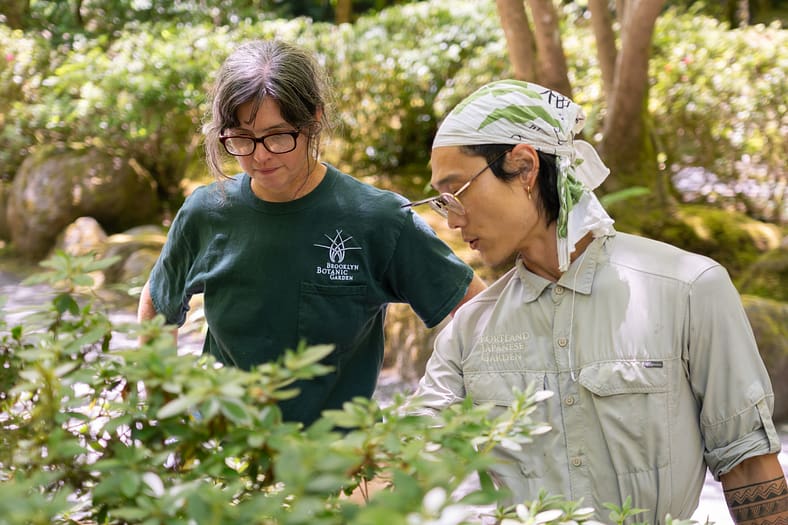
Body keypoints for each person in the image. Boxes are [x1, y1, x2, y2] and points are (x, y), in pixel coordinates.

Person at [404, 79, 787, 524]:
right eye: (441, 199)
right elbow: (407, 455)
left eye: (456, 191)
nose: (451, 219)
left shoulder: (689, 289)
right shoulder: (470, 329)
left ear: (525, 166)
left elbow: (747, 465)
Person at [137, 39, 485, 426]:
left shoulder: (378, 219)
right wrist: (163, 419)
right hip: (224, 457)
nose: (260, 155)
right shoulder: (206, 212)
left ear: (313, 120)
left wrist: (425, 420)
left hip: (332, 468)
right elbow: (157, 305)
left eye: (278, 135)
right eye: (241, 138)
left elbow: (479, 313)